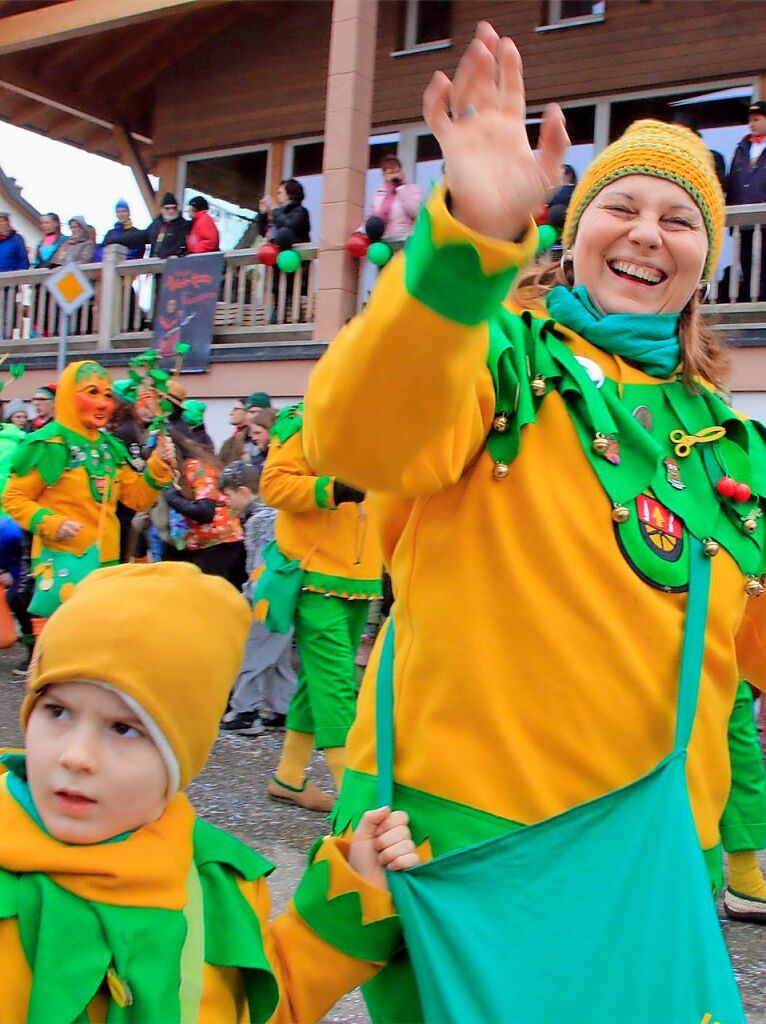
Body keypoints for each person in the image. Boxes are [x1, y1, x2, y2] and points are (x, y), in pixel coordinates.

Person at [302, 22, 764, 1021]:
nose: (647, 232)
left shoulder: (733, 448)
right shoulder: (499, 355)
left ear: (705, 266)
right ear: (572, 229)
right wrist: (466, 237)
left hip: (644, 861)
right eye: (623, 206)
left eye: (680, 220)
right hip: (464, 834)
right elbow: (361, 437)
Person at [0, 560, 419, 1020]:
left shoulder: (215, 888)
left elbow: (262, 1004)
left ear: (183, 754)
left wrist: (354, 888)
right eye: (57, 710)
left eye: (124, 728)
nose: (75, 755)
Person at [258, 404, 382, 812]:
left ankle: (289, 779)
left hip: (360, 578)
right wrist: (330, 490)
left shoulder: (387, 422)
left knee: (320, 683)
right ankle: (356, 795)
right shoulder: (304, 420)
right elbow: (273, 486)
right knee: (337, 686)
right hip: (314, 576)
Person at [2, 361, 174, 619]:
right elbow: (14, 498)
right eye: (92, 392)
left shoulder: (110, 447)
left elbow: (137, 498)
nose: (103, 403)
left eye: (107, 394)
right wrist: (50, 523)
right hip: (64, 564)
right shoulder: (48, 444)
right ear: (70, 395)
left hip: (106, 567)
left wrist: (158, 463)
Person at [220, 460, 297, 735]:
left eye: (228, 496)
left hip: (267, 598)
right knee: (278, 656)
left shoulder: (261, 519)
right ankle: (284, 708)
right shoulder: (275, 514)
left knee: (252, 652)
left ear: (242, 491)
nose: (227, 503)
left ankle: (245, 710)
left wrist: (250, 595)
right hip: (285, 596)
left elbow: (261, 565)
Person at [163, 429, 246, 588]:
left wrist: (172, 498)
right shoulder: (176, 473)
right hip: (202, 545)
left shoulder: (196, 468)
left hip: (221, 545)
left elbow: (205, 512)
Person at [726, 101, 766, 302]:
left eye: (757, 119)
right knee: (747, 266)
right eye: (750, 120)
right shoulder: (742, 148)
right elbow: (732, 183)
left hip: (764, 223)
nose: (752, 124)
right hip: (743, 224)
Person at [365, 155, 422, 240]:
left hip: (403, 239)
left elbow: (416, 211)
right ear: (384, 175)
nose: (395, 175)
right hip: (383, 240)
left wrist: (400, 188)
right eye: (391, 173)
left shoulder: (411, 189)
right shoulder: (379, 193)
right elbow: (372, 217)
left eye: (397, 171)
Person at [146, 193, 190, 259]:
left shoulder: (182, 224)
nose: (171, 211)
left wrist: (164, 254)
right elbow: (144, 236)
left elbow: (181, 244)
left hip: (171, 262)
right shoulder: (156, 223)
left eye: (174, 208)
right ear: (161, 209)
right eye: (167, 208)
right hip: (153, 261)